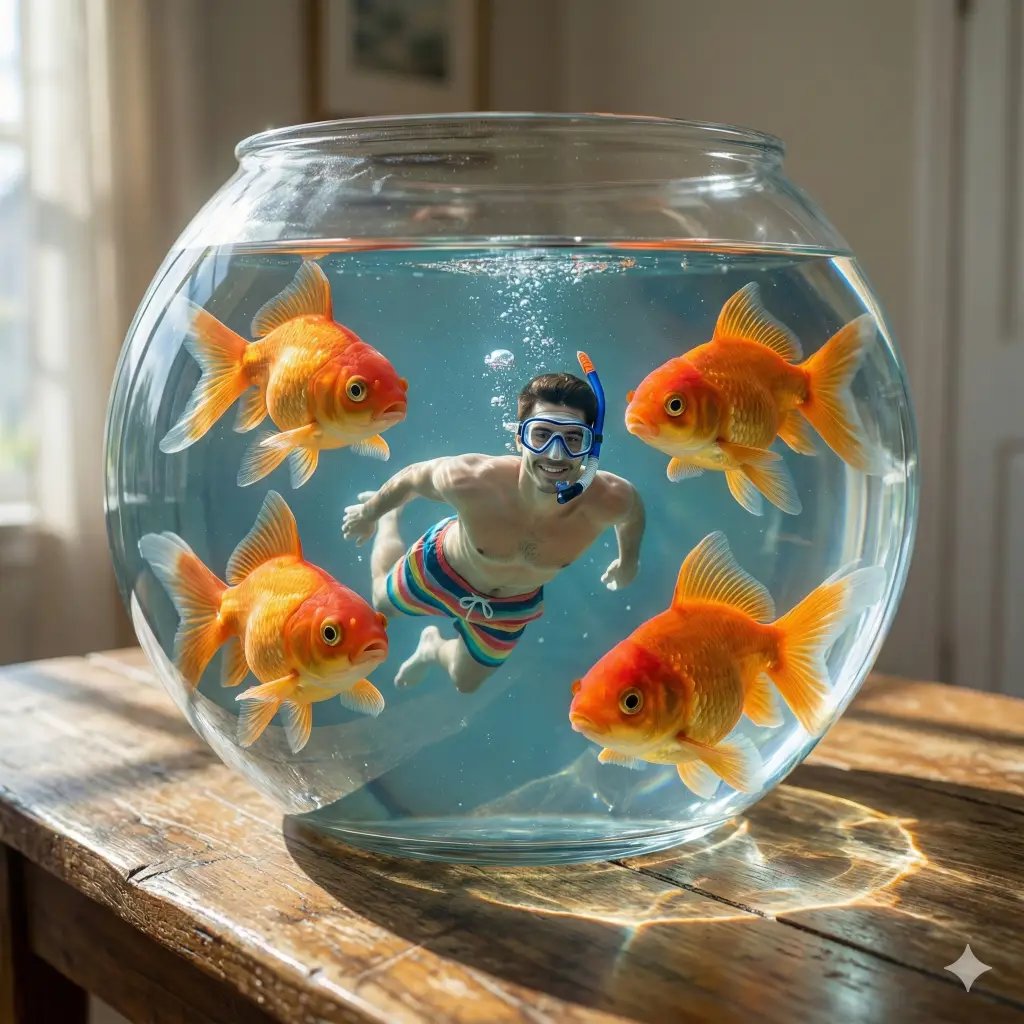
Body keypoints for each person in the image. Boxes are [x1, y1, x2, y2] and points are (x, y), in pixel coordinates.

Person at [341, 360, 645, 694]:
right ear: (519, 439)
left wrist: (628, 561)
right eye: (541, 435)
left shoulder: (610, 499)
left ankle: (432, 648)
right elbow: (412, 478)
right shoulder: (474, 479)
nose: (555, 455)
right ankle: (389, 521)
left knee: (465, 681)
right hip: (439, 571)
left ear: (592, 448)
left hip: (512, 607)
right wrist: (370, 513)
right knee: (379, 604)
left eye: (573, 439)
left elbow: (633, 515)